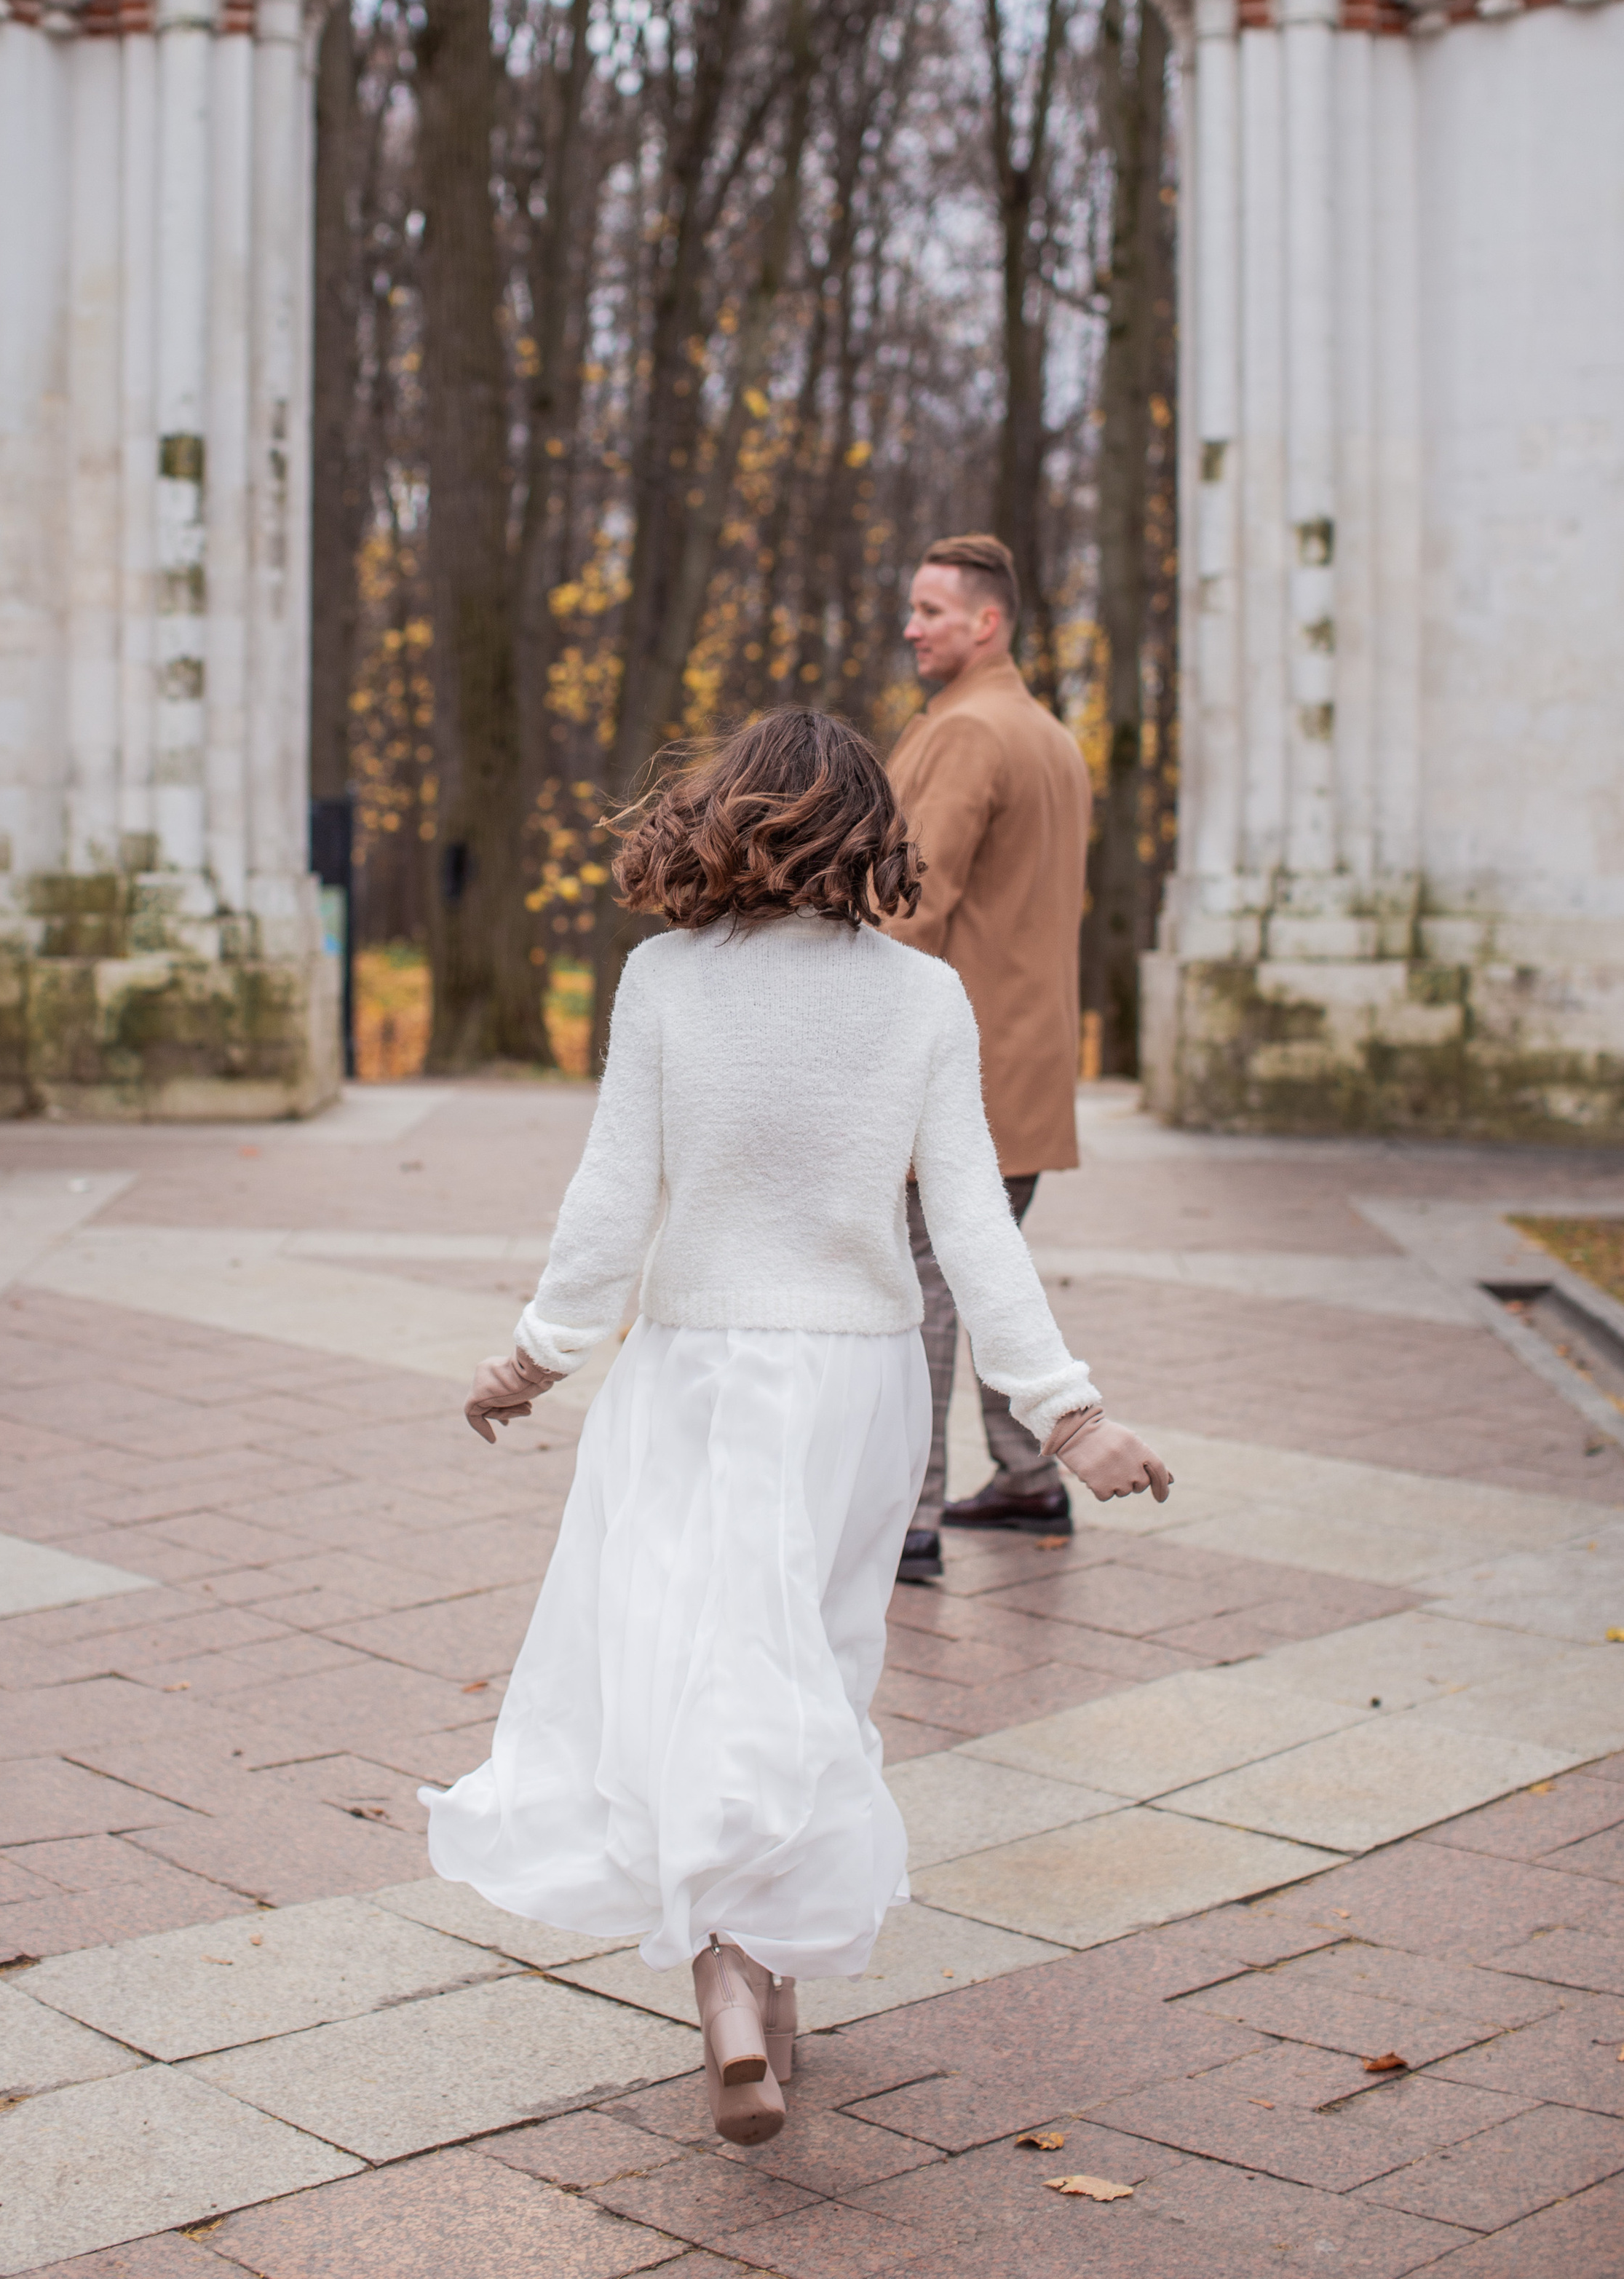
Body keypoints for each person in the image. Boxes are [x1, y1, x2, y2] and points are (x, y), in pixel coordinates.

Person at [422, 710, 1168, 2148]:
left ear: (724, 819)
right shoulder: (920, 1000)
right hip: (863, 1384)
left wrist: (533, 1358)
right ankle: (771, 1971)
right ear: (871, 834)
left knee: (699, 1658)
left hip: (697, 1368)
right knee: (814, 1668)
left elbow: (607, 1196)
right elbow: (970, 1230)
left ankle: (720, 1977)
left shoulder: (662, 982)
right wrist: (1065, 1415)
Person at [882, 534, 1093, 1582]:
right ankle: (1025, 1474)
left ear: (986, 623)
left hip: (959, 1082)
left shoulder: (968, 735)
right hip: (1023, 1071)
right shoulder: (1046, 734)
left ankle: (907, 1518)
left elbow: (905, 910)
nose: (912, 628)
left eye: (929, 610)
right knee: (979, 1273)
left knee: (920, 1290)